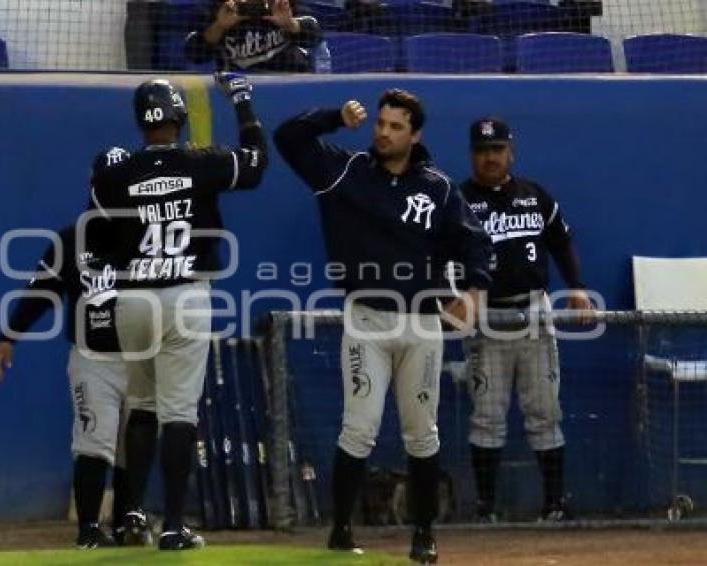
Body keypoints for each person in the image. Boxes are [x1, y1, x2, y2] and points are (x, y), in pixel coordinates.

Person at [274, 90, 492, 564]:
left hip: (422, 323)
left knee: (422, 431)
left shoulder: (436, 188)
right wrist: (333, 118)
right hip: (367, 319)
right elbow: (287, 138)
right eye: (380, 123)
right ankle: (341, 530)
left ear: (415, 135)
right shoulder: (345, 172)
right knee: (359, 428)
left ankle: (424, 533)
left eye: (396, 127)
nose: (383, 132)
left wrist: (474, 291)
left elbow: (476, 242)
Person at [88, 73, 267, 551]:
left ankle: (129, 515)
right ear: (179, 118)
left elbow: (98, 241)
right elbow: (255, 165)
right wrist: (244, 106)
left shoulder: (115, 175)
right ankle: (171, 524)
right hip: (184, 296)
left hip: (130, 298)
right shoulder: (199, 162)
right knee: (179, 413)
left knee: (142, 407)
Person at [0, 167, 158, 549]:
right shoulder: (70, 239)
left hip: (140, 356)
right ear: (95, 186)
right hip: (93, 357)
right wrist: (9, 336)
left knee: (133, 445)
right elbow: (41, 291)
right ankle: (88, 531)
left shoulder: (148, 234)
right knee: (94, 439)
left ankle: (125, 525)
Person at [459, 117, 594, 522]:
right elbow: (441, 254)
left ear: (510, 152)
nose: (490, 158)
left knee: (545, 411)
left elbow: (561, 240)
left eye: (497, 150)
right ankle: (486, 509)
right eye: (482, 151)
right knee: (487, 414)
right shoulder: (458, 199)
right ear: (472, 156)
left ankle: (553, 505)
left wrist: (577, 285)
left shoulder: (534, 196)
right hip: (487, 316)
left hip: (534, 313)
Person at [185, 0, 320, 72]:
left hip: (289, 80)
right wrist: (220, 26)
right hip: (238, 86)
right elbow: (194, 54)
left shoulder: (282, 4)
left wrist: (290, 23)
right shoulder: (219, 8)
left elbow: (315, 36)